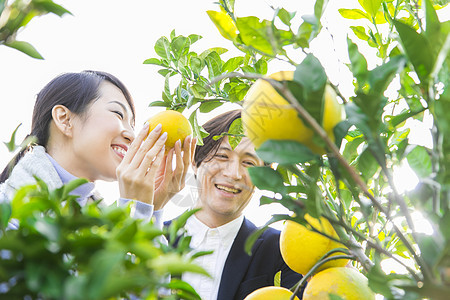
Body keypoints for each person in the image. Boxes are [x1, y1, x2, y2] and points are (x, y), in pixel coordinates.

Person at [0, 70, 195, 228]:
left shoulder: (95, 218)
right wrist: (136, 213)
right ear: (64, 119)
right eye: (118, 114)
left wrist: (151, 208)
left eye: (133, 125)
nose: (132, 135)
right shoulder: (8, 208)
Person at [166, 110, 303, 300]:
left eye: (248, 162)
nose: (233, 173)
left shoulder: (282, 252)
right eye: (222, 156)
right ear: (195, 162)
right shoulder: (155, 235)